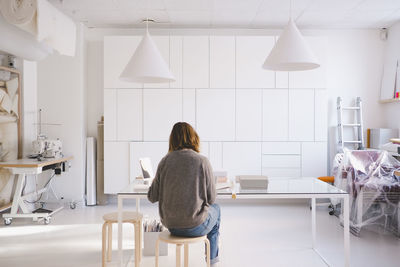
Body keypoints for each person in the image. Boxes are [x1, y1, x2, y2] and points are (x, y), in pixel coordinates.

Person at [148, 122, 220, 266]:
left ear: (172, 139)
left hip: (171, 225)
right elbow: (211, 198)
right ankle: (212, 262)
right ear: (194, 138)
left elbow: (152, 197)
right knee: (217, 209)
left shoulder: (164, 162)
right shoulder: (202, 161)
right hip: (195, 226)